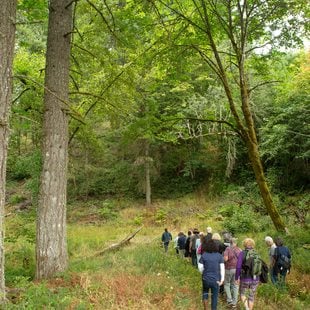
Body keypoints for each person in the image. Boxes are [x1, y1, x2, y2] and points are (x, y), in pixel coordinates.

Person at [198, 239, 225, 310]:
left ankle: (205, 308)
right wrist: (222, 280)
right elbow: (222, 269)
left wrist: (204, 272)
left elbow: (200, 267)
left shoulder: (204, 255)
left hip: (205, 278)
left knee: (205, 293)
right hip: (216, 280)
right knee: (214, 297)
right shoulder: (219, 256)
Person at [235, 238, 260, 310]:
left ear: (244, 245)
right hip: (255, 278)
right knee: (251, 296)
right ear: (252, 244)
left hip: (245, 278)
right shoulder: (256, 253)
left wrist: (237, 278)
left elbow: (238, 267)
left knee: (242, 294)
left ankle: (246, 308)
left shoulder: (242, 253)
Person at [223, 237, 241, 308]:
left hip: (228, 269)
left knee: (227, 284)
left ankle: (229, 299)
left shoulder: (227, 249)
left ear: (230, 242)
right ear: (236, 243)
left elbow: (225, 259)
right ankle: (234, 302)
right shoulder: (239, 249)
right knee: (235, 285)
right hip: (237, 269)